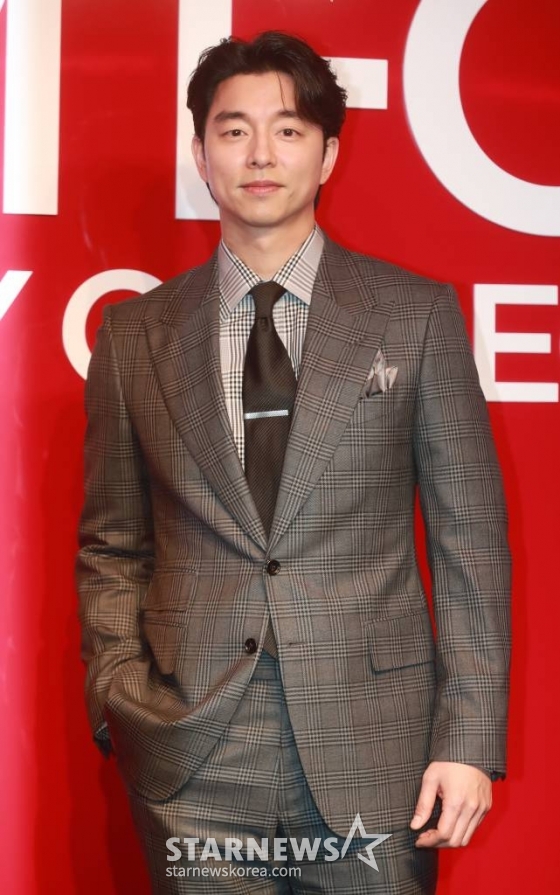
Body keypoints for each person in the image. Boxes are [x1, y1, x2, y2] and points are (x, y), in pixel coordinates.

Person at [76, 30, 511, 894]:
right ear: (201, 154)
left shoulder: (415, 317)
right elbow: (113, 543)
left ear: (328, 153)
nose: (261, 155)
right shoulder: (134, 335)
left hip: (375, 751)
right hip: (193, 752)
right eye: (234, 131)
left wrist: (468, 739)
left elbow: (470, 543)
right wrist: (120, 692)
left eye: (288, 130)